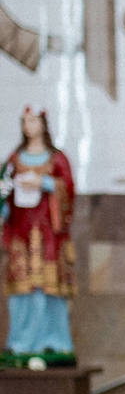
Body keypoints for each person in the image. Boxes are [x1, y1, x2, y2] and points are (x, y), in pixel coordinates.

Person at [1, 104, 75, 365]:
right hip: (21, 234)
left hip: (48, 237)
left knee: (49, 289)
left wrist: (44, 183)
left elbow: (68, 189)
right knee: (22, 290)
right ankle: (21, 342)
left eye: (33, 121)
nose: (28, 126)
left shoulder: (57, 158)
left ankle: (54, 340)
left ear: (43, 124)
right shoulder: (14, 159)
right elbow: (5, 191)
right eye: (25, 122)